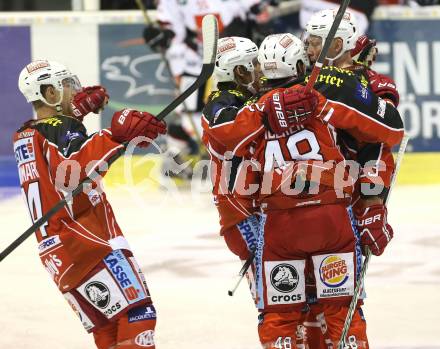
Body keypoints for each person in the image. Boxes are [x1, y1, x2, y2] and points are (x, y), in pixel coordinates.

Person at [204, 32, 404, 348]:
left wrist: (263, 114)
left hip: (277, 224)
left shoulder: (252, 110)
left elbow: (227, 135)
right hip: (331, 219)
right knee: (340, 311)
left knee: (280, 314)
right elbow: (388, 131)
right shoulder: (318, 96)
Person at [14, 60, 166, 349]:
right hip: (85, 239)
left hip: (56, 251)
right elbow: (74, 171)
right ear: (49, 93)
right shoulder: (59, 129)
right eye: (68, 86)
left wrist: (76, 116)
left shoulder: (26, 133)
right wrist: (115, 136)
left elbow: (59, 148)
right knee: (138, 314)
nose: (76, 91)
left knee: (107, 327)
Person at [201, 36, 262, 304]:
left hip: (254, 207)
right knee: (274, 298)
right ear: (240, 71)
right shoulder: (219, 103)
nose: (262, 69)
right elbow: (227, 127)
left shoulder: (246, 97)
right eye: (256, 64)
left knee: (290, 297)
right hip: (240, 214)